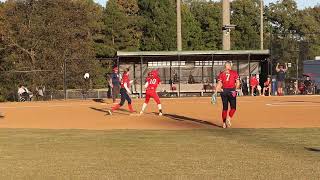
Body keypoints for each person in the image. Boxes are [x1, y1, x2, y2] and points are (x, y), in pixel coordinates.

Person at [215, 61, 241, 128]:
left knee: (225, 108)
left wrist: (216, 92)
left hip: (223, 91)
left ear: (225, 66)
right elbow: (238, 83)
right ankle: (229, 118)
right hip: (232, 91)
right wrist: (235, 89)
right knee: (233, 108)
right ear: (230, 66)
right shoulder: (234, 73)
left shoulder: (221, 73)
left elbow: (219, 84)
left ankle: (224, 123)